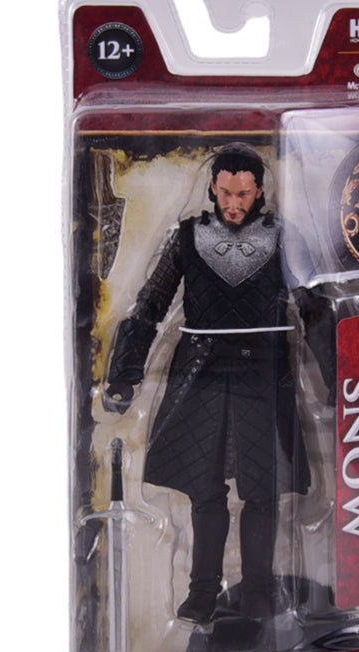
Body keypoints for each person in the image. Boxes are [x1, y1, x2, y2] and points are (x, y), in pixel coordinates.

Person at [104, 145, 333, 623]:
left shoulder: (281, 237)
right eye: (225, 192)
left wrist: (337, 375)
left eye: (243, 194)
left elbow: (313, 307)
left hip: (263, 375)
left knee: (262, 491)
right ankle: (202, 592)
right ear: (212, 187)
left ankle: (258, 593)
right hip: (200, 375)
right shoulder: (188, 237)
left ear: (259, 191)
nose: (233, 202)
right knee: (204, 490)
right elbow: (150, 305)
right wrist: (124, 376)